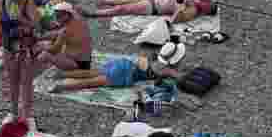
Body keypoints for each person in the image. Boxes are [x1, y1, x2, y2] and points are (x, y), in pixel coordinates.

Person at [1, 0, 40, 130]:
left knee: (26, 82)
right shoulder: (3, 2)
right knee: (12, 81)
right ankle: (14, 113)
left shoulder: (28, 3)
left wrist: (21, 20)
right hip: (9, 46)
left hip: (25, 47)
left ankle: (27, 115)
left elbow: (37, 24)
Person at [50, 55, 179, 93]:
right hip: (122, 74)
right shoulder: (162, 71)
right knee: (89, 82)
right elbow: (159, 81)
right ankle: (61, 87)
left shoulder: (148, 59)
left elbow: (136, 61)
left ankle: (62, 75)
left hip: (120, 64)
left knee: (88, 74)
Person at [89, 0, 218, 23]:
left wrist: (180, 4)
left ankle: (95, 14)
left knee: (122, 9)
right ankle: (106, 0)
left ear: (206, 11)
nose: (206, 2)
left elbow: (175, 19)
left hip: (153, 6)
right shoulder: (196, 0)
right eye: (208, 1)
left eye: (208, 5)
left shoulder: (193, 11)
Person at [36, 3, 92, 72]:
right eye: (56, 16)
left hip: (78, 64)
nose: (56, 18)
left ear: (66, 15)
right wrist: (41, 37)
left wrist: (41, 47)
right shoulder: (79, 20)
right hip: (85, 60)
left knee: (44, 55)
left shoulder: (65, 30)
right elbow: (57, 34)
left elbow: (54, 50)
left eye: (58, 16)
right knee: (51, 44)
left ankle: (40, 72)